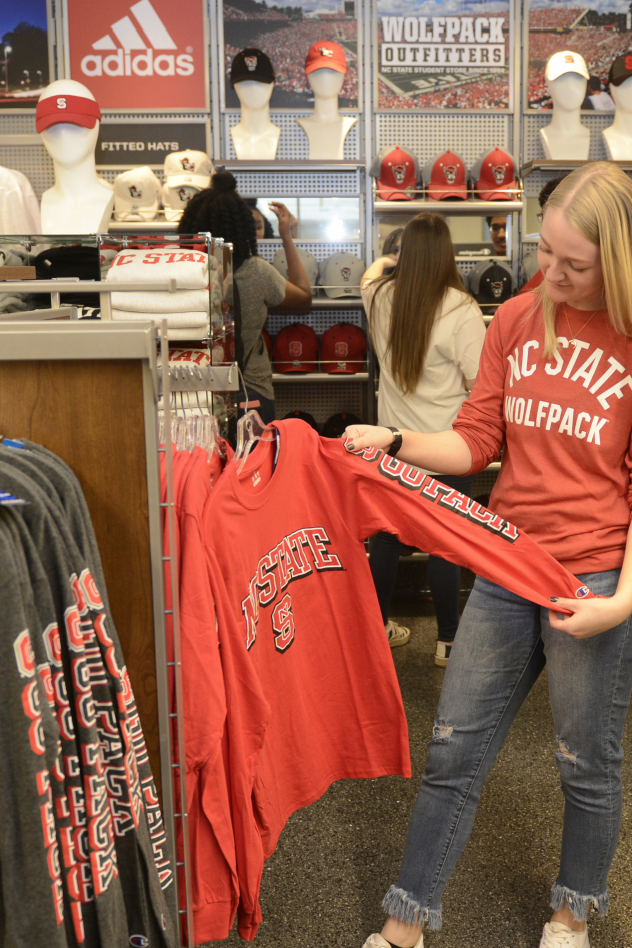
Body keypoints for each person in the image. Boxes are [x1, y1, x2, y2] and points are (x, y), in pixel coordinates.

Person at [347, 161, 632, 948]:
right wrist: (396, 441)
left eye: (575, 265)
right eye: (548, 254)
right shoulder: (514, 319)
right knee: (451, 747)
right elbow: (476, 441)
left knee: (584, 760)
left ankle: (572, 913)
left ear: (617, 260)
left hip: (595, 575)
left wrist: (624, 599)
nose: (554, 274)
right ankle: (407, 920)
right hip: (508, 566)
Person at [361, 214, 486, 659]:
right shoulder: (461, 308)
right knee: (445, 543)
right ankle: (448, 642)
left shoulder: (378, 296)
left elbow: (369, 274)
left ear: (405, 253)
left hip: (390, 447)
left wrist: (389, 259)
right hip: (444, 448)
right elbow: (481, 383)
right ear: (447, 254)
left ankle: (375, 632)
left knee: (388, 540)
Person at [178, 172, 311, 423]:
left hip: (193, 391)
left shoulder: (183, 269)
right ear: (243, 227)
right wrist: (286, 236)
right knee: (252, 463)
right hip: (250, 393)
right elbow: (304, 298)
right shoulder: (255, 270)